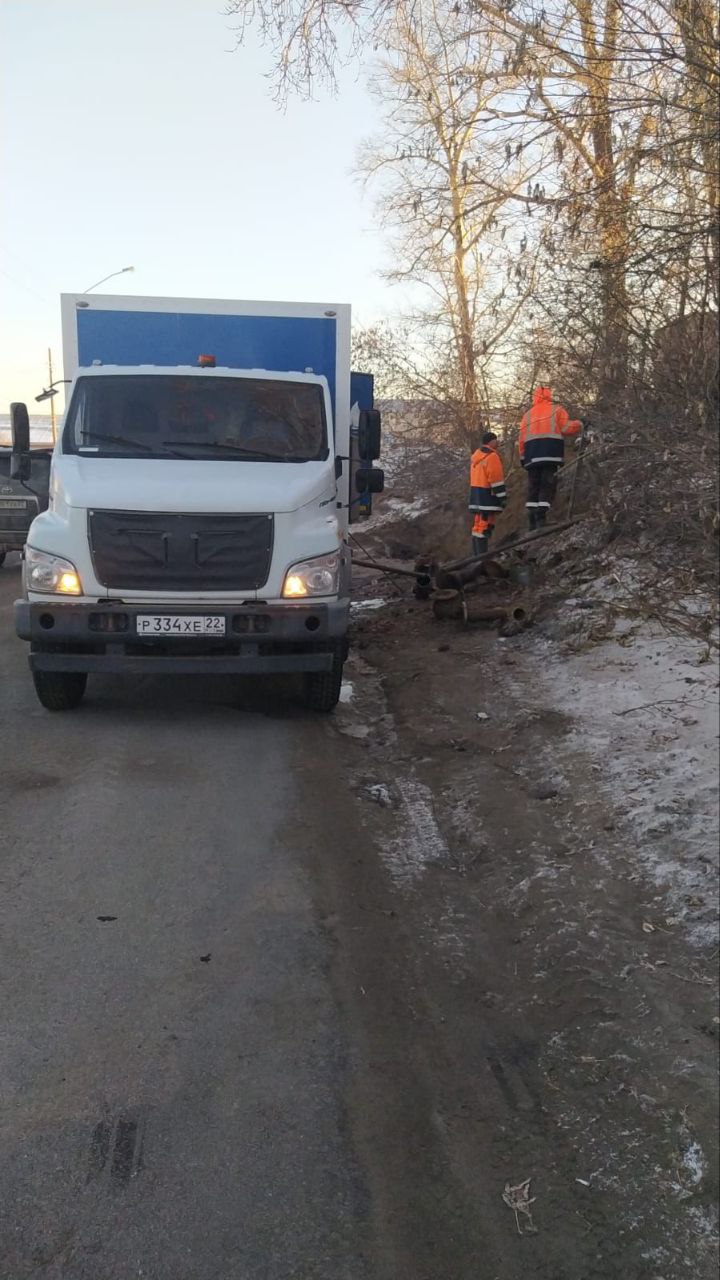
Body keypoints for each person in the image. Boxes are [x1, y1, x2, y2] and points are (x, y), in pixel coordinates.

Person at [518, 386, 582, 529]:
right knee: (547, 485)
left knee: (534, 486)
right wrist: (579, 424)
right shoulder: (556, 410)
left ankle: (532, 519)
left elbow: (521, 439)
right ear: (549, 395)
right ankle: (541, 518)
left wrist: (522, 456)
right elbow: (566, 428)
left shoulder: (527, 415)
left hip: (531, 455)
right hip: (550, 453)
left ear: (534, 397)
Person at [469, 430, 507, 556]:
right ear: (491, 441)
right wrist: (502, 496)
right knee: (484, 526)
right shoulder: (491, 456)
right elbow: (496, 479)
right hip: (487, 497)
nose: (498, 442)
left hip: (476, 496)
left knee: (478, 526)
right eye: (496, 439)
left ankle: (476, 557)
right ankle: (482, 559)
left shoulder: (476, 457)